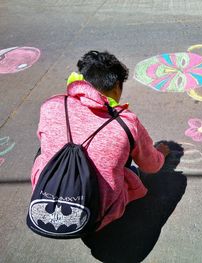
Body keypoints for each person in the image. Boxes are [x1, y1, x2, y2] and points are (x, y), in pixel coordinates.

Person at [31, 50, 170, 232]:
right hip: (99, 215)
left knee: (41, 150)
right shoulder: (125, 123)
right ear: (116, 87)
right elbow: (151, 166)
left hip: (46, 198)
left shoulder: (51, 106)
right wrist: (160, 154)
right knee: (128, 163)